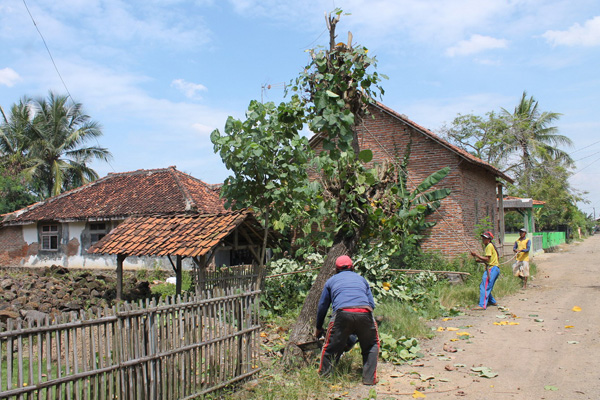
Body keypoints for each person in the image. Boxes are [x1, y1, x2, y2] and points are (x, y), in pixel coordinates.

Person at [315, 255, 379, 385]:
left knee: (330, 347)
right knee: (371, 345)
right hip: (365, 312)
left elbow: (323, 306)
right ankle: (369, 379)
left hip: (342, 313)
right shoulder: (361, 279)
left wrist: (318, 327)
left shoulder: (331, 281)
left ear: (336, 269)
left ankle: (325, 380)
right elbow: (371, 304)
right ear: (353, 267)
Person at [470, 231, 500, 310]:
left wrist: (476, 255)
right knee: (486, 286)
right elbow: (489, 260)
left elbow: (487, 259)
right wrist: (480, 261)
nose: (483, 239)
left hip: (492, 269)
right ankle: (493, 301)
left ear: (489, 239)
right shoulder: (489, 246)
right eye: (483, 237)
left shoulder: (489, 246)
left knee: (484, 286)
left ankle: (482, 305)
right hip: (495, 269)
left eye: (485, 238)